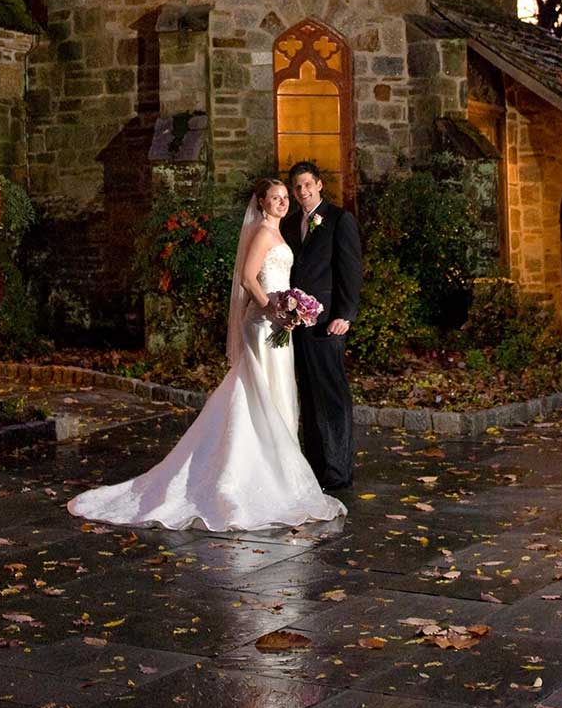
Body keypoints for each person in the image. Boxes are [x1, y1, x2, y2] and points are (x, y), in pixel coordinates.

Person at [66, 178, 346, 531]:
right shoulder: (262, 232)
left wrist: (292, 308)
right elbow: (247, 278)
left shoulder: (277, 232)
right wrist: (273, 309)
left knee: (274, 390)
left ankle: (275, 467)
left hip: (279, 321)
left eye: (284, 197)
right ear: (261, 203)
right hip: (263, 322)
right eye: (274, 198)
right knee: (259, 389)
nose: (282, 202)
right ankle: (245, 473)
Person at [281, 162, 362, 491]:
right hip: (298, 325)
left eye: (307, 185)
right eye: (297, 187)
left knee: (332, 396)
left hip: (329, 321)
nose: (302, 191)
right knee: (310, 397)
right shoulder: (290, 224)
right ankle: (316, 468)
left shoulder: (339, 219)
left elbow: (351, 270)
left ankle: (339, 472)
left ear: (319, 184)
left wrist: (346, 313)